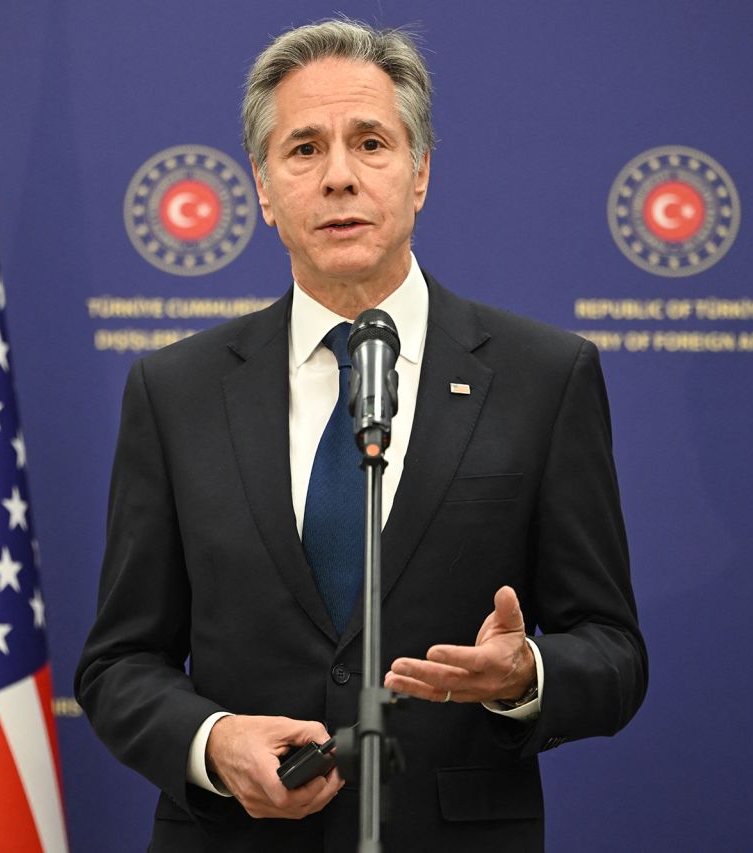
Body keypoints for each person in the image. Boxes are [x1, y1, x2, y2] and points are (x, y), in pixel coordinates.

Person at [75, 19, 647, 852]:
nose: (338, 176)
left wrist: (527, 675)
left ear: (419, 174)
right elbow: (118, 662)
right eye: (303, 149)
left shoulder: (542, 377)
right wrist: (214, 741)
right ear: (264, 191)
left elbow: (615, 651)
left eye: (370, 143)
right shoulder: (175, 390)